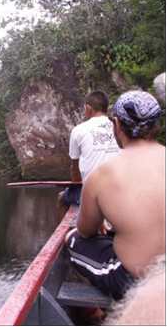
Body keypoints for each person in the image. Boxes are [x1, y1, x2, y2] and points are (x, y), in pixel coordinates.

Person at [65, 90, 165, 300]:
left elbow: (86, 231)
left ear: (117, 124)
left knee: (73, 239)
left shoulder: (101, 175)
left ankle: (91, 314)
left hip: (137, 282)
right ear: (156, 126)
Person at [58, 91, 119, 212]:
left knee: (61, 198)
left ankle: (69, 228)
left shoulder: (79, 130)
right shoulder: (119, 127)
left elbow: (74, 169)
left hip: (93, 192)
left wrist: (77, 187)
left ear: (88, 107)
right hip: (119, 190)